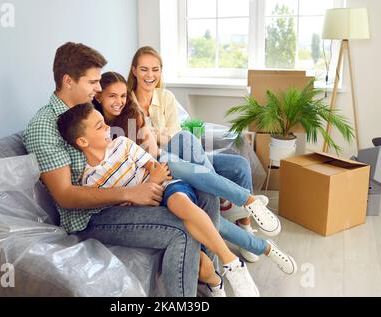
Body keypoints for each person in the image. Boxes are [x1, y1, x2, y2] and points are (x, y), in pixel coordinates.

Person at [22, 42, 221, 297]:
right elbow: (65, 195)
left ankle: (210, 275)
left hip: (125, 188)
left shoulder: (86, 107)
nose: (98, 88)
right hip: (92, 215)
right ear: (68, 81)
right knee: (183, 228)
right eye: (93, 82)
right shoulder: (44, 127)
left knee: (206, 194)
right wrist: (129, 193)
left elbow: (121, 140)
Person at [93, 71, 298, 276]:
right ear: (98, 96)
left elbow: (154, 154)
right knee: (205, 213)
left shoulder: (132, 113)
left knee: (186, 140)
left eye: (122, 96)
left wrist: (152, 158)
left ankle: (244, 202)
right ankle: (263, 245)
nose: (119, 101)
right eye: (112, 96)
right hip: (149, 182)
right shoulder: (94, 128)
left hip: (156, 165)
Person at [57, 103, 261, 297]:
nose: (108, 127)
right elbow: (123, 205)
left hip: (167, 187)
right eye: (100, 126)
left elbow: (156, 168)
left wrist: (151, 181)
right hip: (146, 205)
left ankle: (231, 261)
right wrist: (138, 193)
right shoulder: (90, 180)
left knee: (180, 203)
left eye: (104, 122)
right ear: (83, 141)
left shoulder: (122, 144)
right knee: (192, 239)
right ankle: (216, 279)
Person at [126, 46, 283, 262]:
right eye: (144, 69)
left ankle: (245, 223)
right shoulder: (125, 102)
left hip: (180, 151)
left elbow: (174, 133)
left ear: (161, 71)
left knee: (239, 164)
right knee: (187, 140)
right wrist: (159, 135)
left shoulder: (166, 97)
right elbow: (143, 144)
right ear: (134, 70)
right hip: (158, 161)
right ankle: (228, 203)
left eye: (155, 69)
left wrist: (154, 133)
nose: (150, 75)